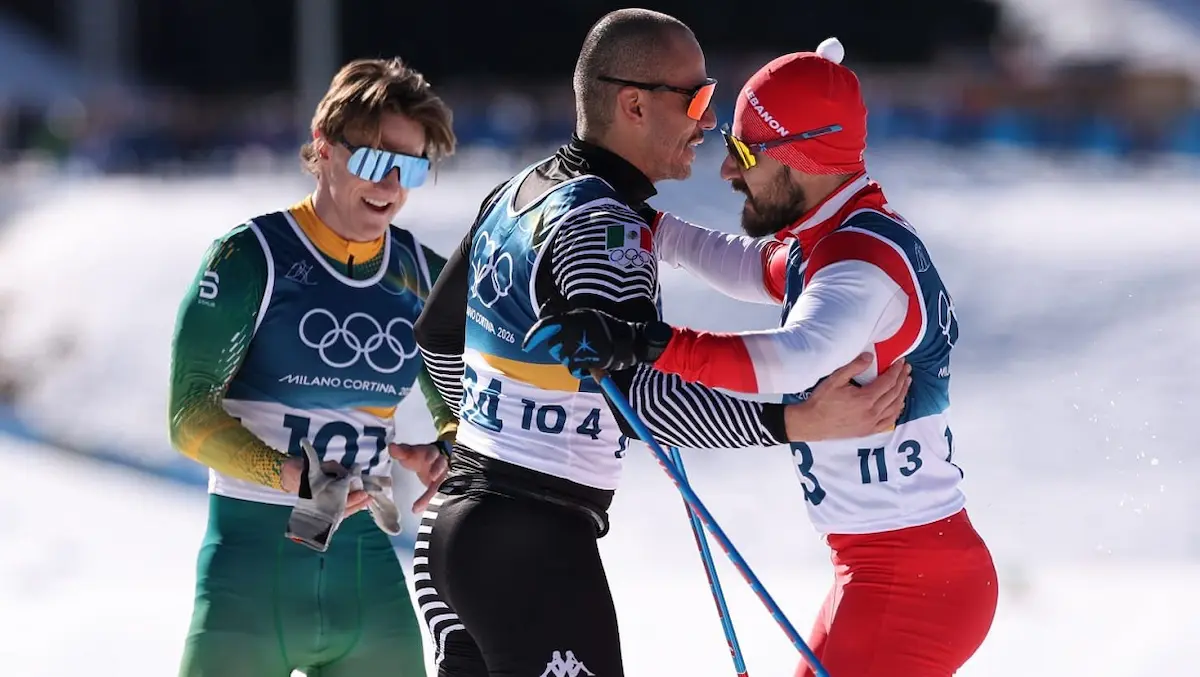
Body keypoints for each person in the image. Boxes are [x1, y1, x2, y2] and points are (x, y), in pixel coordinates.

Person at [411, 11, 912, 677]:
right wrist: (792, 421)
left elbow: (437, 333)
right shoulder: (605, 228)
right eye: (698, 100)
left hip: (453, 537)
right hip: (528, 543)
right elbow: (637, 397)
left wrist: (472, 437)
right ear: (634, 103)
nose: (709, 124)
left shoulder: (524, 189)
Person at [527, 39, 998, 677]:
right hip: (878, 570)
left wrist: (646, 343)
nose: (727, 172)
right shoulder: (836, 237)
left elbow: (792, 361)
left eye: (744, 152)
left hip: (912, 583)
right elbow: (751, 265)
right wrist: (648, 224)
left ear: (801, 154)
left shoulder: (858, 264)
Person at [168, 57, 458, 677]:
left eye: (410, 167)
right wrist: (292, 476)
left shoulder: (421, 275)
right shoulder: (254, 256)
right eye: (377, 161)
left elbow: (460, 408)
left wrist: (447, 453)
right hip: (251, 570)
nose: (391, 186)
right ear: (324, 147)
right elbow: (187, 416)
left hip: (367, 574)